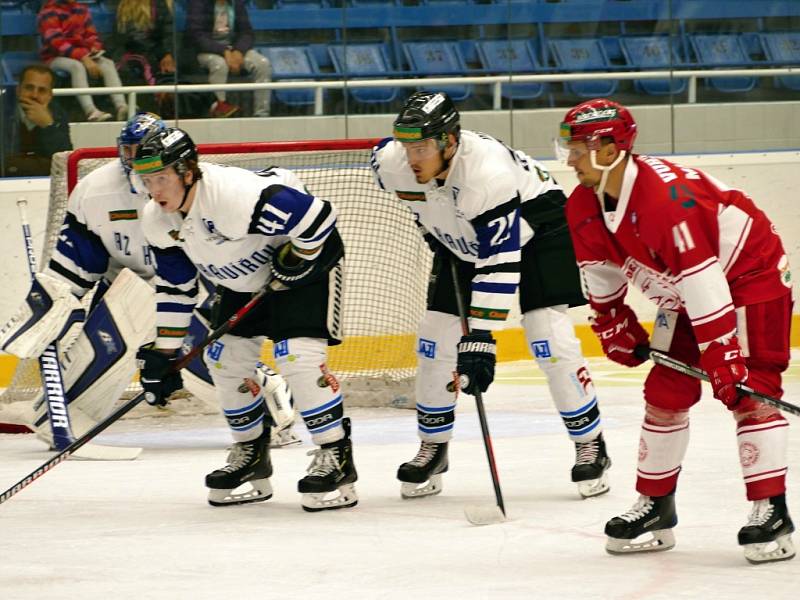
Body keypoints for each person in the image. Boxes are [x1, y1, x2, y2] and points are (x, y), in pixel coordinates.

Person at [559, 98, 794, 564]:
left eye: (578, 148)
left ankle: (772, 510)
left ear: (609, 149)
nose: (569, 159)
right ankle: (656, 507)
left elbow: (703, 278)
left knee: (752, 391)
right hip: (687, 291)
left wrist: (725, 353)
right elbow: (600, 268)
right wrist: (611, 320)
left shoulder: (663, 201)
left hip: (752, 277)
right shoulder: (583, 203)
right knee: (665, 390)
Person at [0, 113, 298, 450]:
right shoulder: (95, 191)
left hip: (191, 291)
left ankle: (264, 394)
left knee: (201, 362)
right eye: (129, 150)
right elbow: (76, 263)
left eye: (144, 150)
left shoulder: (194, 187)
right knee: (90, 368)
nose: (136, 158)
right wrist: (52, 302)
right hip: (125, 291)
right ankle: (69, 410)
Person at [369, 91, 610, 500]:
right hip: (465, 234)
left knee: (545, 334)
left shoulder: (486, 174)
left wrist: (480, 338)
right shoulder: (387, 164)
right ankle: (434, 446)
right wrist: (437, 235)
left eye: (423, 146)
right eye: (408, 145)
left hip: (539, 224)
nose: (412, 157)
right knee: (434, 338)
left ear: (450, 141)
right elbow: (422, 208)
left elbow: (498, 260)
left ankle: (591, 443)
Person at [131, 126, 355, 510]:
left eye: (162, 178)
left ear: (188, 171)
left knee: (295, 357)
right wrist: (165, 353)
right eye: (147, 180)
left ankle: (336, 455)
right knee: (224, 360)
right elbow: (176, 287)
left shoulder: (234, 196)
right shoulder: (157, 219)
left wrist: (297, 260)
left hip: (305, 267)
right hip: (240, 279)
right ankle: (251, 454)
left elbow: (319, 217)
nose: (155, 190)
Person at [38, 0, 129, 122]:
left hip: (83, 55)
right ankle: (91, 111)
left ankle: (121, 107)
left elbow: (91, 35)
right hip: (53, 57)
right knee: (76, 67)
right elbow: (56, 43)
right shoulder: (48, 12)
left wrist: (95, 47)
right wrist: (83, 57)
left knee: (107, 63)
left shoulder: (82, 9)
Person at [186, 0, 272, 118]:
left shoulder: (237, 3)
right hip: (205, 51)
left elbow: (247, 33)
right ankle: (220, 112)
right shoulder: (198, 3)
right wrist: (224, 51)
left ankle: (262, 114)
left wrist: (238, 51)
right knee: (219, 64)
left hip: (234, 49)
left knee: (262, 63)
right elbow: (196, 36)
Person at [3, 64, 72, 177]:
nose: (34, 95)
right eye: (29, 88)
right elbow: (5, 164)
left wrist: (48, 125)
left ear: (50, 95)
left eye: (42, 90)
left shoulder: (58, 114)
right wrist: (46, 165)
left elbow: (65, 162)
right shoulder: (3, 111)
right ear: (18, 90)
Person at [113, 0, 176, 104]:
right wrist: (161, 53)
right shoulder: (125, 6)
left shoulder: (159, 4)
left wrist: (166, 54)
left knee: (168, 68)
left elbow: (168, 33)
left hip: (156, 52)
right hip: (133, 55)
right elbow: (128, 39)